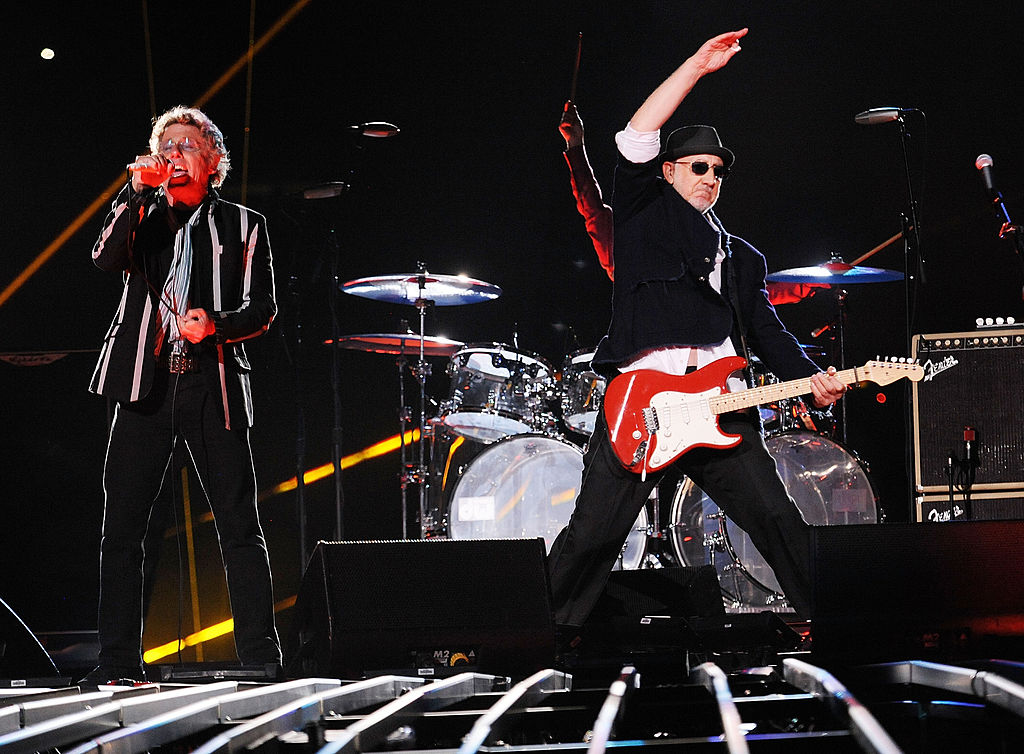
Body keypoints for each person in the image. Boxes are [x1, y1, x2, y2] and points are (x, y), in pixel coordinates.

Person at [547, 29, 847, 635]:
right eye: (697, 167)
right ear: (668, 171)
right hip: (645, 402)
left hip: (721, 405)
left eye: (718, 172)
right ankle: (530, 634)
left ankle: (836, 624)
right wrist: (697, 67)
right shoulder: (639, 212)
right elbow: (636, 131)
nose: (710, 177)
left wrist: (810, 380)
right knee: (593, 534)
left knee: (774, 516)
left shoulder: (741, 257)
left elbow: (765, 329)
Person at [81, 106, 281, 684]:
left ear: (214, 159)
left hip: (211, 381)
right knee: (123, 527)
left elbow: (263, 308)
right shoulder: (141, 212)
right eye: (165, 144)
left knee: (239, 524)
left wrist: (215, 324)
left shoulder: (246, 225)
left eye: (187, 143)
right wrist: (133, 192)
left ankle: (259, 657)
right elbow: (104, 259)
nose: (174, 154)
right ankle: (117, 660)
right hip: (144, 383)